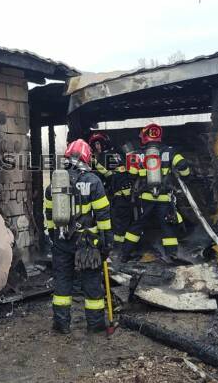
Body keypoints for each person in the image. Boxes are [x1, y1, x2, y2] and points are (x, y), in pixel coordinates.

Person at [44, 139, 113, 334]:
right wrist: (106, 243)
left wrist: (53, 235)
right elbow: (103, 215)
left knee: (62, 282)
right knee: (91, 283)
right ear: (86, 158)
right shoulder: (93, 181)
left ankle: (61, 324)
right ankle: (96, 325)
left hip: (61, 240)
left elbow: (49, 213)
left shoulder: (55, 181)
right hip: (88, 243)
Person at [121, 123, 190, 263]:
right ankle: (172, 255)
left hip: (145, 198)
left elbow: (131, 175)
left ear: (144, 137)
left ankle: (125, 254)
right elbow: (183, 166)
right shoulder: (170, 152)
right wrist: (185, 176)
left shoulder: (139, 154)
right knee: (167, 226)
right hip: (164, 198)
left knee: (137, 225)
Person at [88, 132, 132, 249]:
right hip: (125, 195)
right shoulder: (117, 154)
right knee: (122, 222)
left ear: (104, 143)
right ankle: (122, 246)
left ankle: (118, 248)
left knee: (117, 222)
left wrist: (93, 163)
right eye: (95, 144)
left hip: (119, 196)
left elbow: (109, 175)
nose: (97, 147)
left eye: (99, 143)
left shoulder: (105, 156)